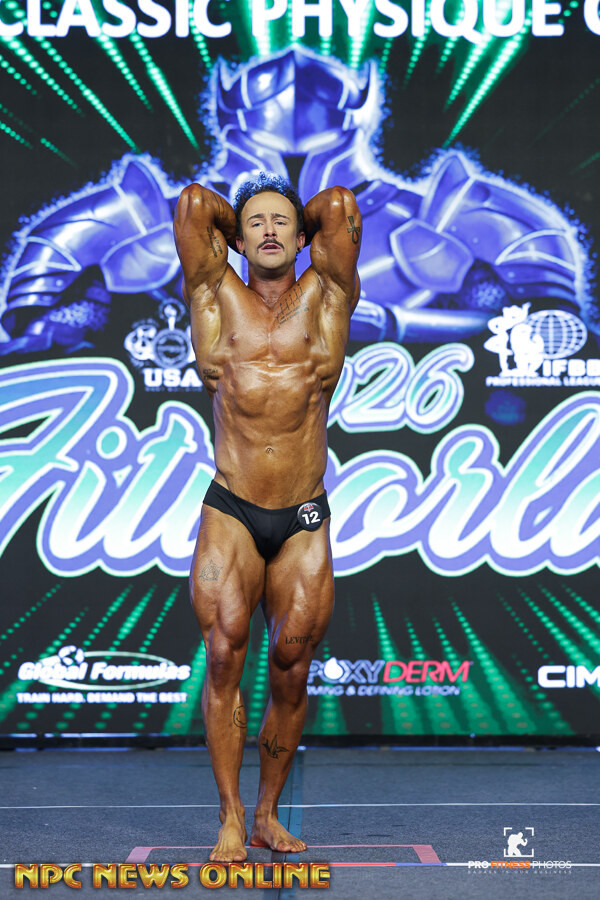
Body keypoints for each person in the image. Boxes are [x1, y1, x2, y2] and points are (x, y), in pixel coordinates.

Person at [173, 172, 361, 863]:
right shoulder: (213, 294)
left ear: (304, 236)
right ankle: (229, 817)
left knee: (291, 666)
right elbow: (194, 204)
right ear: (235, 238)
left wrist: (291, 219)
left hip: (303, 519)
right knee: (225, 654)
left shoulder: (328, 295)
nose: (271, 231)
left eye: (283, 222)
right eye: (256, 223)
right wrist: (243, 224)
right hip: (232, 509)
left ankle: (266, 816)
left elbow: (338, 205)